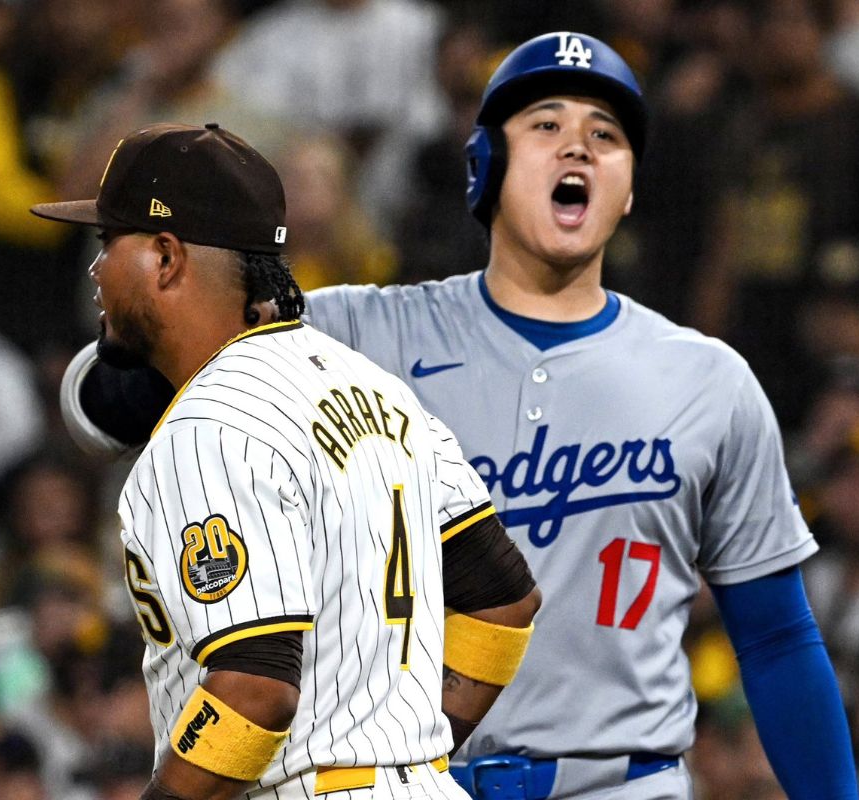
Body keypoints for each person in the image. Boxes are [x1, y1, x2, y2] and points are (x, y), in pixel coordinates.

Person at [60, 34, 859, 800]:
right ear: (485, 166)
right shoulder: (356, 334)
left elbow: (778, 637)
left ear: (630, 187)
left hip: (623, 783)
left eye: (605, 135)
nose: (577, 147)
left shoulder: (709, 380)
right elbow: (107, 399)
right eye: (546, 125)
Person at [31, 122, 540, 800]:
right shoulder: (376, 388)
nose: (96, 269)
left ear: (165, 257)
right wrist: (413, 755)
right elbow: (504, 602)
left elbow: (255, 688)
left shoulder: (207, 423)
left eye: (107, 242)